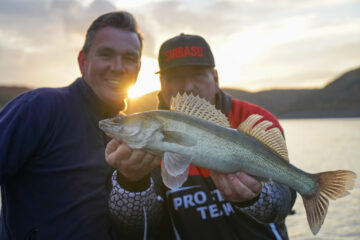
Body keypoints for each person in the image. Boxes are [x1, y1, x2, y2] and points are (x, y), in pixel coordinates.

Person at [105, 34, 297, 239]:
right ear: (162, 82)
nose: (188, 86)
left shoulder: (254, 120)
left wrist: (256, 197)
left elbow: (282, 202)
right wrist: (131, 183)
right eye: (176, 77)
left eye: (197, 74)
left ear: (215, 79)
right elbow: (138, 227)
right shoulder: (145, 138)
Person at [0, 11, 160, 239]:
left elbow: (138, 227)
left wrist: (134, 182)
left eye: (129, 58)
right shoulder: (39, 108)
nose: (118, 66)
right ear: (82, 61)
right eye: (106, 54)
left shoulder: (138, 132)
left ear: (138, 69)